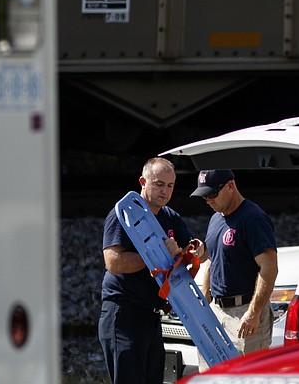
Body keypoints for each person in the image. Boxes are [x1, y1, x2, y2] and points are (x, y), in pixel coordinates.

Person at [98, 157, 205, 384]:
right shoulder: (124, 213)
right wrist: (157, 255)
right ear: (142, 182)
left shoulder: (169, 215)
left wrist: (197, 249)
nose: (164, 191)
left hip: (151, 315)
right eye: (158, 184)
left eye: (170, 186)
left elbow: (193, 249)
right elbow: (113, 262)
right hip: (123, 312)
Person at [191, 169, 278, 370]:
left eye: (212, 194)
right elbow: (213, 260)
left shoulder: (253, 218)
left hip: (244, 313)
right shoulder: (216, 218)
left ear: (230, 186)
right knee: (210, 376)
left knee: (248, 376)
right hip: (217, 310)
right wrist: (206, 299)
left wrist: (253, 313)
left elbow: (269, 268)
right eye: (204, 196)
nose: (208, 201)